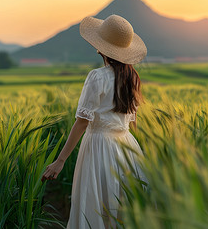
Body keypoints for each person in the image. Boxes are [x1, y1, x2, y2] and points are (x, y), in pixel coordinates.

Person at [41, 14, 149, 228]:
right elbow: (132, 121)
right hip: (127, 149)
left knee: (96, 208)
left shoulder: (97, 77)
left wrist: (60, 161)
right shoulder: (133, 78)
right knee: (121, 208)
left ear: (101, 47)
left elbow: (82, 122)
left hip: (100, 148)